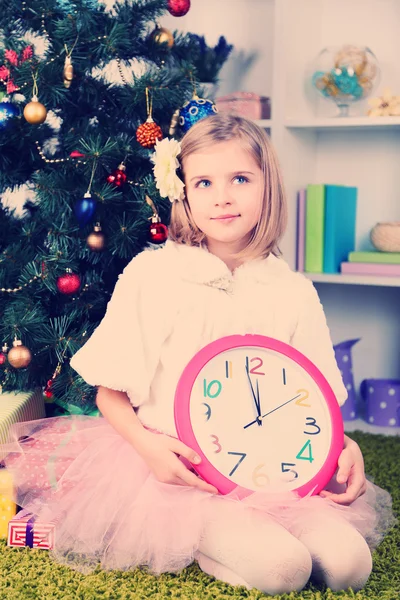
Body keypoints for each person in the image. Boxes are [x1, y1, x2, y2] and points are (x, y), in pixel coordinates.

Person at [3, 114, 395, 595]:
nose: (223, 197)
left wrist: (342, 447)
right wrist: (148, 449)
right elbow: (109, 394)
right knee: (283, 570)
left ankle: (266, 531)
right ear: (183, 191)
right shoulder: (155, 274)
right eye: (204, 181)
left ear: (267, 188)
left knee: (350, 564)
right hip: (181, 475)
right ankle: (212, 544)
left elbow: (313, 399)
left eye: (241, 180)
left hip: (273, 469)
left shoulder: (292, 290)